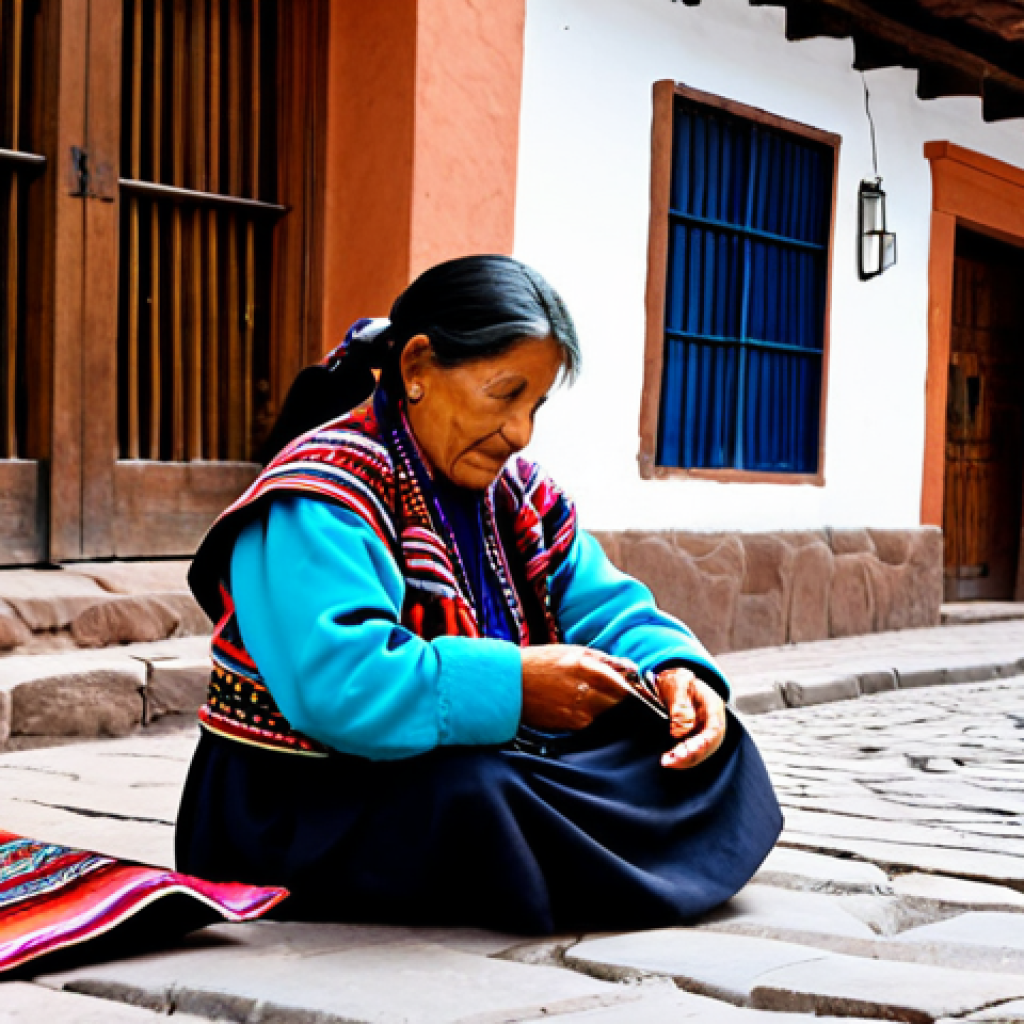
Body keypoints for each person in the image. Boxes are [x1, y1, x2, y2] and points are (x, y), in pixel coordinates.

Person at [176, 254, 783, 935]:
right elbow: (340, 687)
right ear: (417, 367)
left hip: (461, 761)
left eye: (535, 405)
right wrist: (517, 686)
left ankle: (565, 861)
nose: (520, 433)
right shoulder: (318, 494)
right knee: (480, 793)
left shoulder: (519, 494)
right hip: (302, 796)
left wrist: (674, 671)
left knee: (706, 746)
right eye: (504, 395)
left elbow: (605, 606)